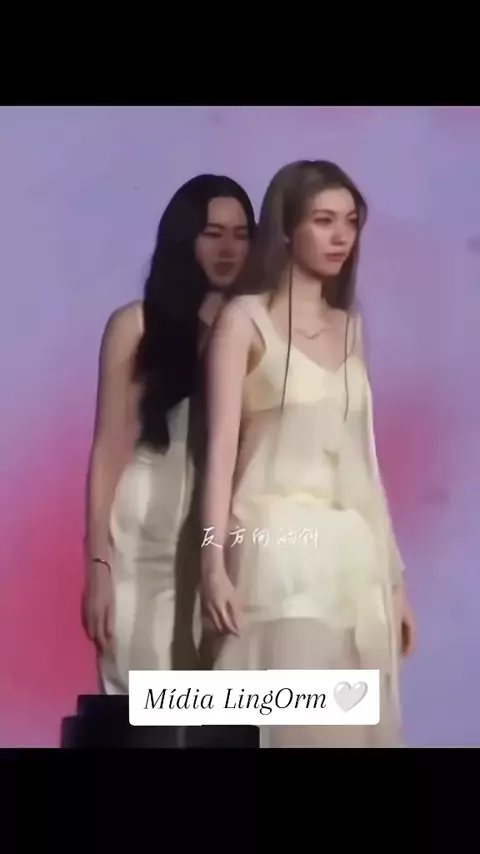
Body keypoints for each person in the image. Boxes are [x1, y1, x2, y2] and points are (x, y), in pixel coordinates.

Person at [201, 160, 416, 747]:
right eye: (323, 221)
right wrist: (212, 563)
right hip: (277, 550)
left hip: (354, 560)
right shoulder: (244, 322)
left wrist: (395, 582)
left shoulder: (351, 329)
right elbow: (220, 450)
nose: (340, 236)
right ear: (287, 228)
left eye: (350, 222)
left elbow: (365, 461)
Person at [82, 174, 256, 694]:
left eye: (241, 234)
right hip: (146, 543)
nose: (228, 249)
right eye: (213, 233)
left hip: (227, 542)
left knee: (222, 707)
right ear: (185, 238)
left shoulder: (260, 330)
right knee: (145, 699)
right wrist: (98, 564)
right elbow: (109, 449)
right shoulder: (136, 326)